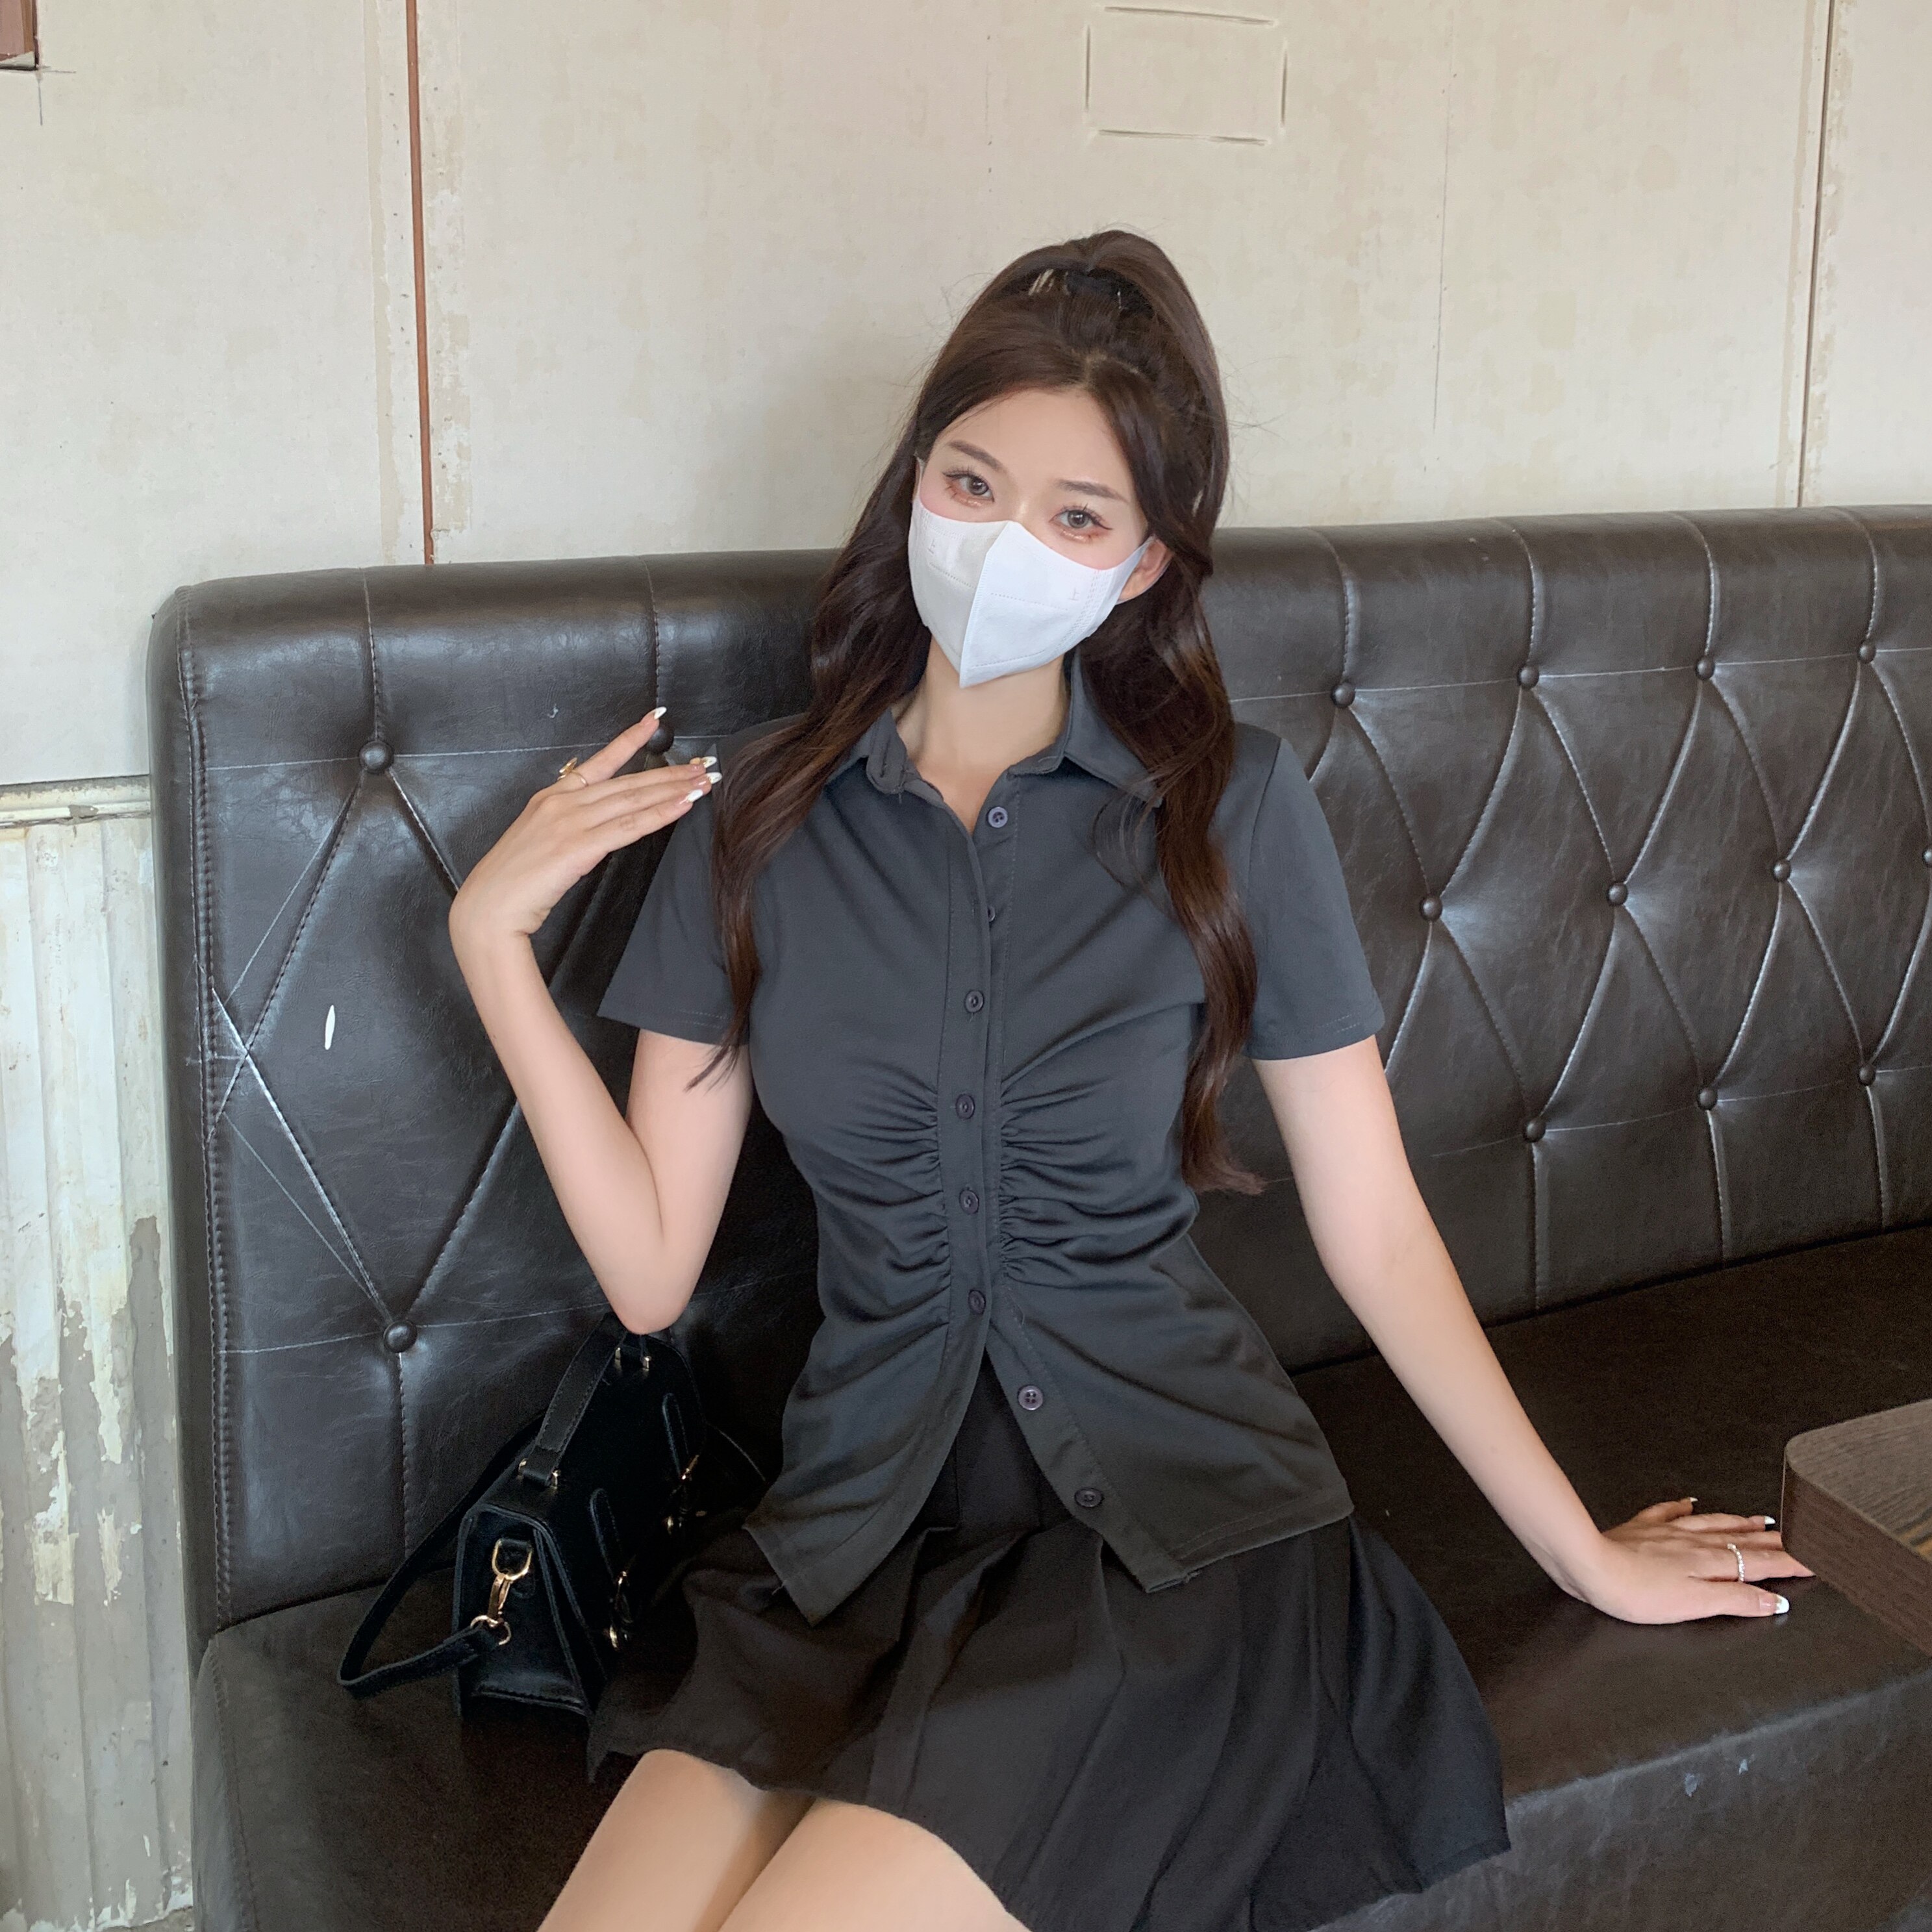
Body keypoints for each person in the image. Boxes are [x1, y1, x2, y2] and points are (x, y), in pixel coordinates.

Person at [447, 232, 1813, 1932]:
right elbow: (653, 1273)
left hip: (1162, 1541)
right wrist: (493, 946)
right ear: (914, 481)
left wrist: (1581, 1549)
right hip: (847, 1543)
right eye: (972, 482)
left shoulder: (1232, 810)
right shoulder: (760, 831)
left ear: (1146, 561)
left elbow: (1376, 1228)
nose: (1003, 542)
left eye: (1076, 515)